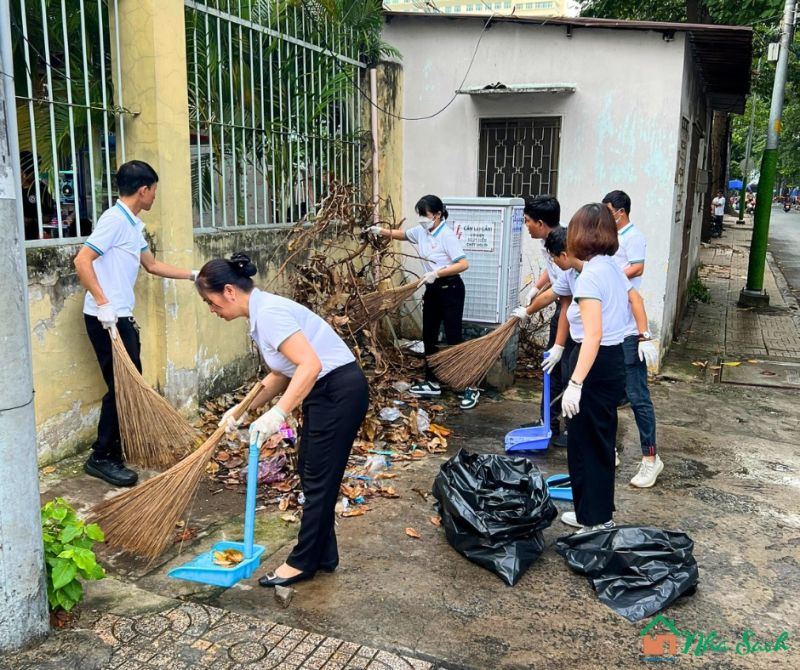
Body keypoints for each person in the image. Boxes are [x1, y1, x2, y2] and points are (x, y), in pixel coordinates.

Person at [198, 253, 369, 587]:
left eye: (210, 301)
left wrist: (278, 414)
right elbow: (281, 372)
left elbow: (309, 366)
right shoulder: (262, 314)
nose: (211, 309)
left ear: (230, 291)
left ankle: (303, 561)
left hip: (337, 391)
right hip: (327, 392)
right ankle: (324, 552)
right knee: (311, 470)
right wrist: (242, 410)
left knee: (319, 477)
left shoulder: (271, 313)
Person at [74, 160, 197, 487]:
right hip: (105, 320)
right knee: (120, 387)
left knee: (127, 384)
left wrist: (194, 275)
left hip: (120, 318)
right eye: (154, 189)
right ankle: (102, 457)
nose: (155, 196)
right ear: (143, 189)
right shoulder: (114, 220)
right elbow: (82, 260)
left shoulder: (133, 226)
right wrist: (103, 303)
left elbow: (152, 265)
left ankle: (115, 449)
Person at [546, 204, 654, 533]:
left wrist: (576, 382)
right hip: (611, 362)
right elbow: (632, 302)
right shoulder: (609, 266)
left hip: (593, 363)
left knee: (587, 444)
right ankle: (593, 511)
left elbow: (592, 335)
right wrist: (643, 336)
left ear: (581, 234)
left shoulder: (592, 275)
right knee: (596, 441)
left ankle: (595, 520)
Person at [368, 195, 478, 409]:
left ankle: (469, 386)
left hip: (451, 288)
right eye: (420, 215)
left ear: (437, 215)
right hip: (432, 289)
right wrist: (381, 232)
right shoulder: (423, 231)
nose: (421, 219)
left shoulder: (446, 235)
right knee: (429, 335)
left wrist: (438, 272)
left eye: (425, 215)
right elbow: (404, 235)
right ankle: (432, 381)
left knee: (454, 337)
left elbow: (463, 264)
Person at [602, 190, 665, 487]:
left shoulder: (633, 237)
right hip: (611, 331)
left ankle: (650, 459)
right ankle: (609, 450)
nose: (605, 218)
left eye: (608, 212)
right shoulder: (611, 241)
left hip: (629, 332)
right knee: (608, 395)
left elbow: (637, 267)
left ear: (620, 212)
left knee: (639, 398)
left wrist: (644, 336)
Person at [513, 224, 573, 446]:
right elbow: (553, 295)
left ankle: (573, 429)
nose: (552, 265)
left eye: (528, 219)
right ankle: (549, 423)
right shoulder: (565, 269)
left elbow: (567, 306)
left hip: (585, 333)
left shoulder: (584, 271)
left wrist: (559, 346)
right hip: (570, 324)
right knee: (556, 373)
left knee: (572, 377)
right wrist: (528, 307)